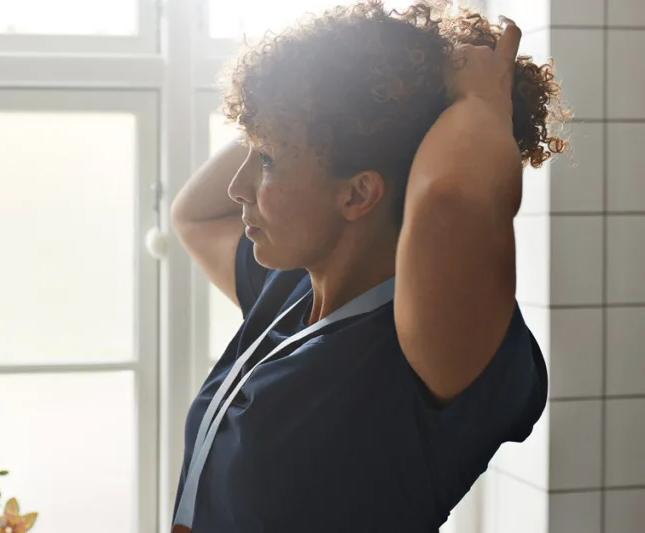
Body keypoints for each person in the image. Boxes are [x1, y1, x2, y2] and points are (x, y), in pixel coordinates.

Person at [170, 1, 565, 531]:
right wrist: (290, 103)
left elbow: (450, 198)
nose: (237, 188)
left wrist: (476, 101)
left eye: (264, 161)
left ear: (358, 193)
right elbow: (193, 215)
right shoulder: (290, 285)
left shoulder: (431, 344)